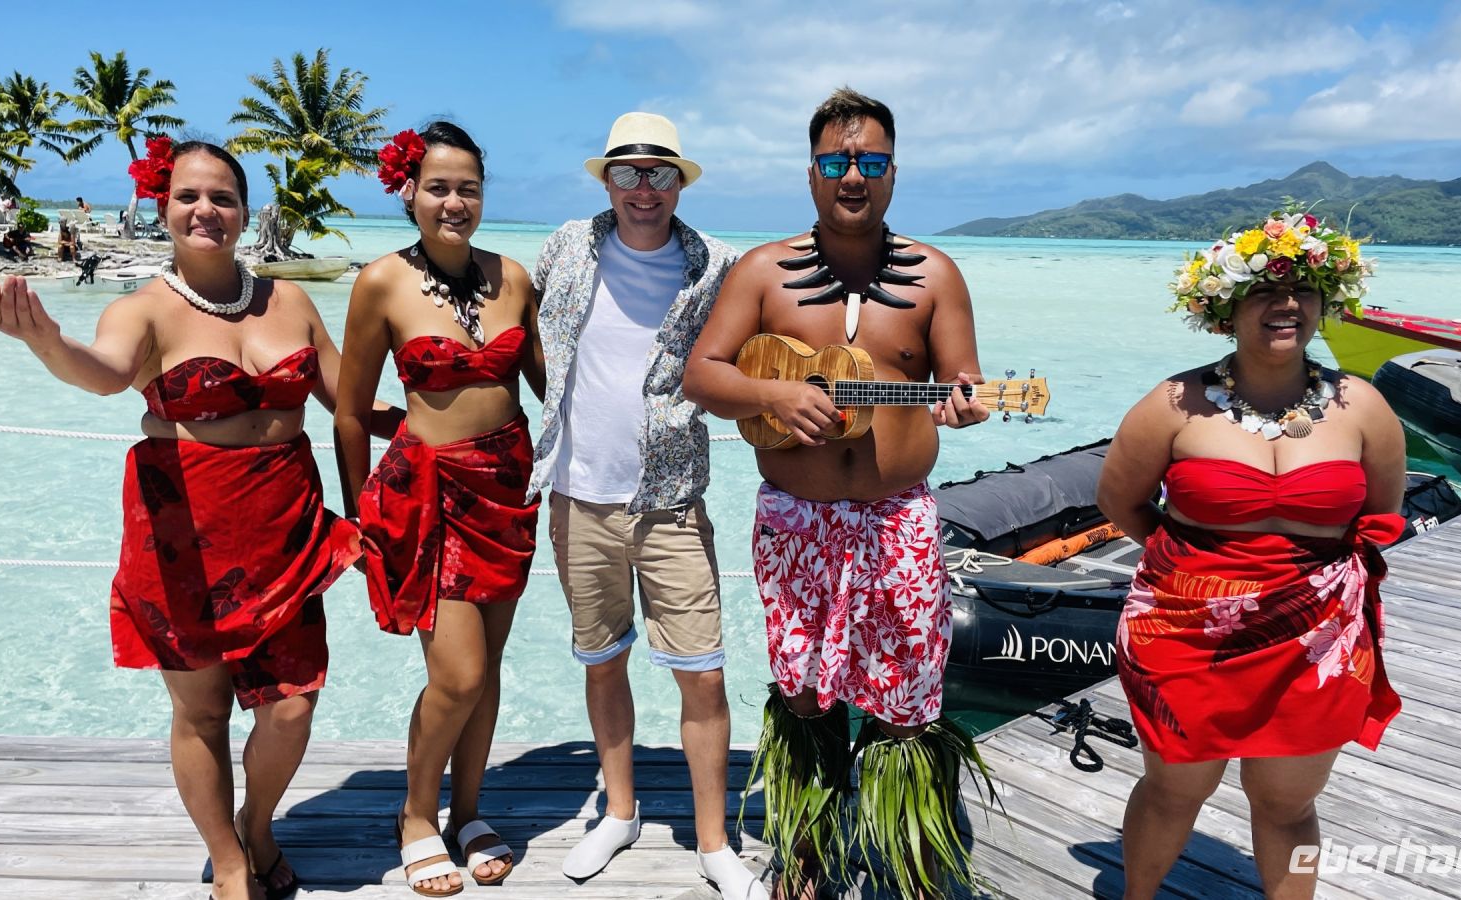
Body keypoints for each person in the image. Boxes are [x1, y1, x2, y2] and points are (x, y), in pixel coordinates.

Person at [0, 140, 386, 900]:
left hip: (286, 529)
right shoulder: (141, 309)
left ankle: (257, 824)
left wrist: (448, 419)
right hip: (184, 538)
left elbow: (347, 399)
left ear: (244, 211)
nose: (206, 211)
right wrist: (45, 341)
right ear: (163, 208)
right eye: (188, 197)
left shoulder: (290, 302)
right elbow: (104, 373)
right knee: (203, 713)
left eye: (222, 198)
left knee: (292, 708)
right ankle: (228, 860)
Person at [683, 87, 991, 900]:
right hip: (796, 520)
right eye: (836, 161)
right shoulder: (762, 271)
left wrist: (965, 404)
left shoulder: (935, 274)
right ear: (812, 171)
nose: (853, 175)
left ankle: (905, 853)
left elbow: (964, 382)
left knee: (905, 691)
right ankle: (809, 852)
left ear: (893, 172)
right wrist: (773, 396)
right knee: (803, 689)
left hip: (900, 520)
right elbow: (702, 374)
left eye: (872, 161)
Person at [1095, 203, 1402, 900]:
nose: (1285, 304)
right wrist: (1192, 573)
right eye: (1263, 288)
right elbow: (1119, 501)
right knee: (1174, 790)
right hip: (1182, 628)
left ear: (1325, 303)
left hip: (1315, 636)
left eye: (1302, 290)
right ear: (1225, 308)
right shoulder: (1173, 403)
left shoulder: (1363, 407)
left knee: (1287, 802)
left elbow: (1381, 518)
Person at [526, 111, 758, 900]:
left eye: (659, 172)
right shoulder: (565, 246)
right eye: (628, 172)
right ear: (608, 181)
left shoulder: (717, 265)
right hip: (577, 498)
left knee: (704, 675)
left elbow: (758, 353)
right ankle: (619, 812)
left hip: (672, 500)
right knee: (603, 661)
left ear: (679, 182)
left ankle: (714, 842)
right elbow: (525, 332)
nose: (644, 188)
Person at [333, 122, 542, 898]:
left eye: (469, 189)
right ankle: (417, 814)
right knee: (457, 674)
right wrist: (358, 515)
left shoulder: (513, 278)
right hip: (431, 495)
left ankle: (469, 811)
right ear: (410, 193)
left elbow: (558, 387)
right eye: (439, 187)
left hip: (508, 488)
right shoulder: (381, 282)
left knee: (487, 672)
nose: (455, 202)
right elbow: (350, 410)